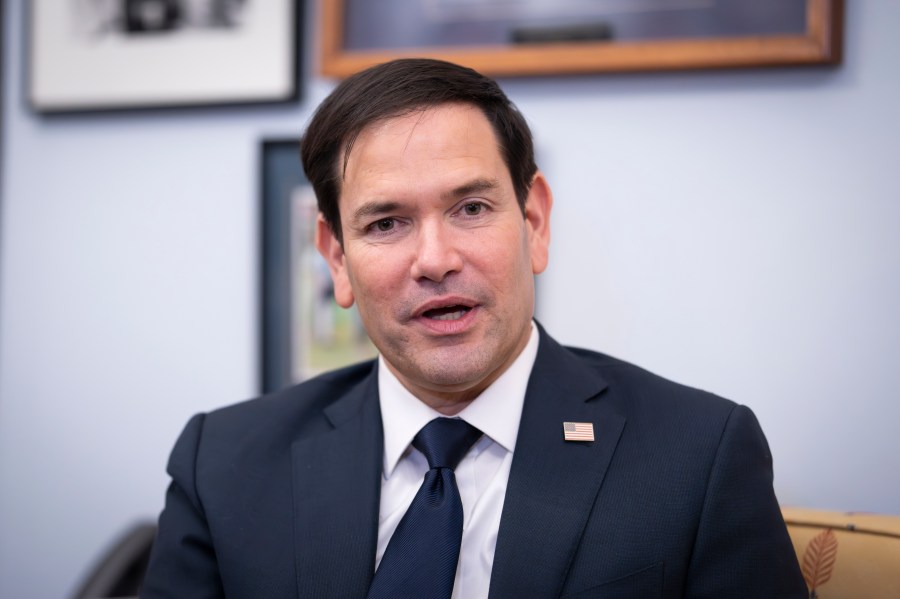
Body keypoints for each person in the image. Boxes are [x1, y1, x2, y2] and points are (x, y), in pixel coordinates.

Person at [142, 58, 806, 598]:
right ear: (337, 258)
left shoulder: (697, 455)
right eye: (386, 223)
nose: (435, 260)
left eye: (471, 207)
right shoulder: (222, 465)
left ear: (535, 222)